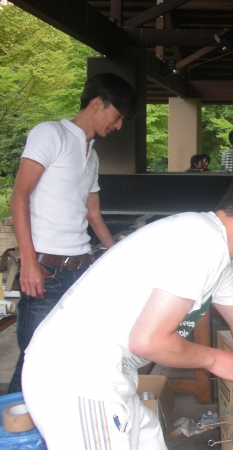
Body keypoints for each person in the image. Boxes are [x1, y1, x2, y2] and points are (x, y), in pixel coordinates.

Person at [21, 164, 233, 449]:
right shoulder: (200, 241)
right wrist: (213, 359)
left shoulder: (217, 252)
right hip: (75, 376)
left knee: (148, 434)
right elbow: (148, 342)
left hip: (105, 376)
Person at [7, 73, 137, 394]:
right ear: (97, 104)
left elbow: (93, 215)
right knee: (33, 363)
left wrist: (116, 254)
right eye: (117, 116)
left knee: (66, 359)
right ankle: (11, 437)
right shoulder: (51, 134)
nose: (118, 125)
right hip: (45, 271)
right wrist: (28, 261)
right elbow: (19, 195)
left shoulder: (91, 155)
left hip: (79, 271)